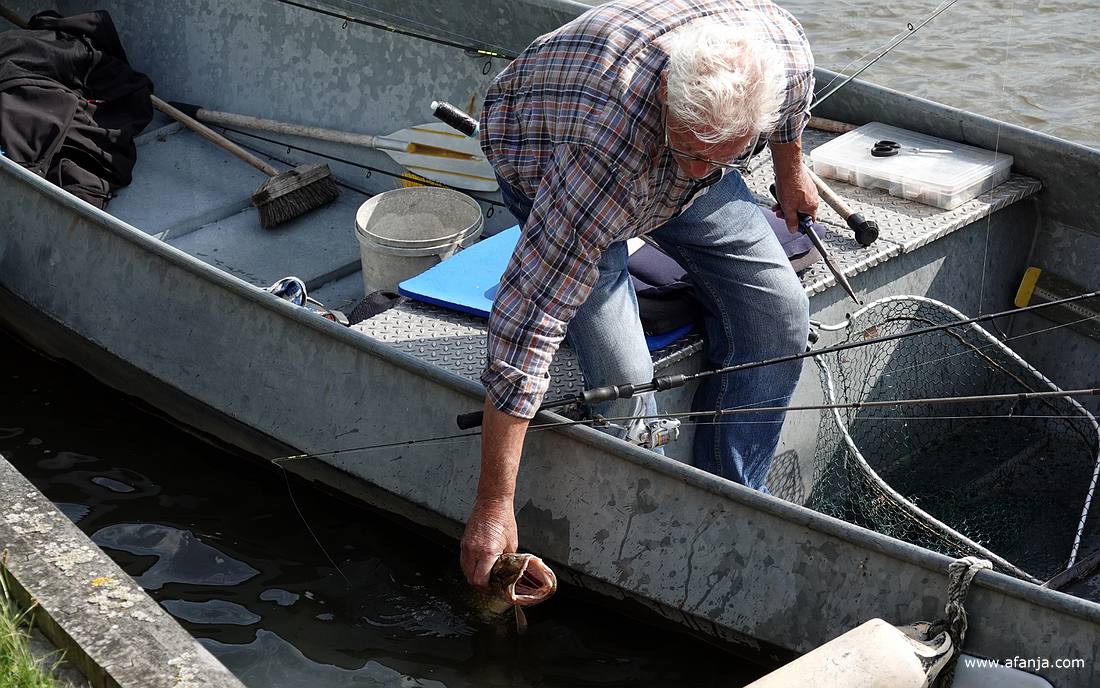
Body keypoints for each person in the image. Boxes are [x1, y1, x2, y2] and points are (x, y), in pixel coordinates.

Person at [461, 0, 818, 588]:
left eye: (722, 155)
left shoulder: (780, 53)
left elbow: (789, 108)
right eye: (694, 151)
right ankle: (647, 530)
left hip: (674, 145)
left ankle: (729, 505)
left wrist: (788, 170)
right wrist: (495, 503)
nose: (703, 170)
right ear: (666, 104)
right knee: (626, 378)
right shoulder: (605, 153)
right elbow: (528, 325)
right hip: (541, 148)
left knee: (781, 311)